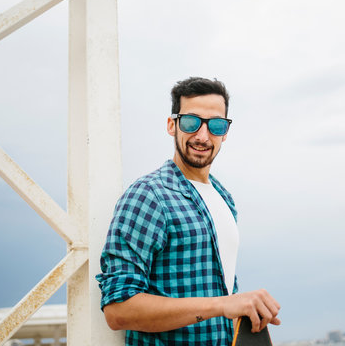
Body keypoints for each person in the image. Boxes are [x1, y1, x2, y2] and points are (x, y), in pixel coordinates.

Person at [96, 77, 281, 345]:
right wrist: (222, 305)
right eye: (191, 122)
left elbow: (226, 296)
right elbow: (119, 311)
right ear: (172, 125)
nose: (203, 136)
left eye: (216, 125)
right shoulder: (149, 195)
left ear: (225, 132)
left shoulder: (223, 198)